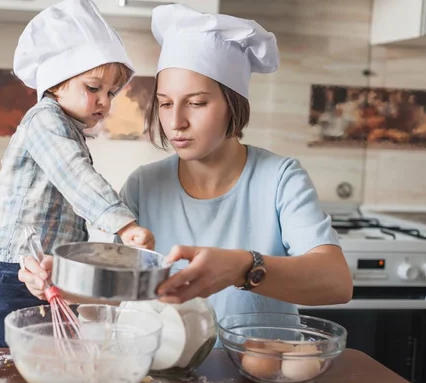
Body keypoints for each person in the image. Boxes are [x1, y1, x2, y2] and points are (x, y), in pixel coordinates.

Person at [19, 4, 353, 336]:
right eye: (165, 103)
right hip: (166, 380)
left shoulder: (280, 179)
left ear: (233, 104)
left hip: (261, 381)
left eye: (196, 103)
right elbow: (116, 291)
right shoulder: (143, 186)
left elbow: (336, 283)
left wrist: (241, 268)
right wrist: (57, 280)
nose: (176, 122)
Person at [0, 0, 155, 348]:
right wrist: (123, 225)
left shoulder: (67, 127)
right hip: (10, 273)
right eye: (93, 88)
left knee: (45, 363)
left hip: (43, 271)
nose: (105, 101)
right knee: (1, 368)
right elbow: (74, 175)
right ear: (56, 83)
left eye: (111, 92)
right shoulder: (45, 120)